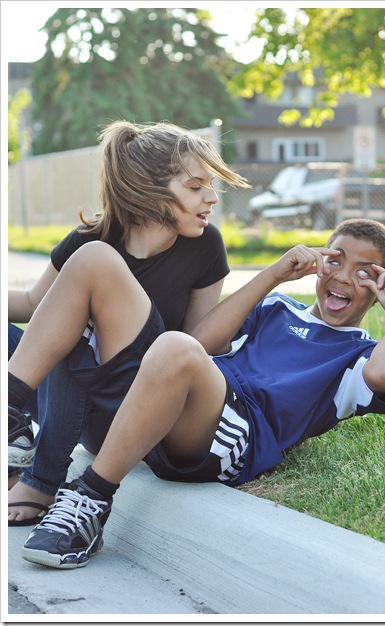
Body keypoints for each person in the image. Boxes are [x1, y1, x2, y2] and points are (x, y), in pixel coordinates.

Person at [10, 218, 385, 569]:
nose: (343, 277)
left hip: (230, 435)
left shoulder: (357, 354)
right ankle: (11, 420)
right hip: (171, 399)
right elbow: (205, 339)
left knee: (175, 346)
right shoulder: (276, 308)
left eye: (364, 273)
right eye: (335, 260)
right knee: (94, 260)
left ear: (381, 286)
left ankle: (91, 500)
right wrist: (274, 274)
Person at [8, 119, 250, 526]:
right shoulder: (91, 238)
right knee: (66, 319)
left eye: (210, 185)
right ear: (147, 188)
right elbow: (35, 304)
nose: (211, 197)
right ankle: (12, 430)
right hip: (69, 405)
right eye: (196, 187)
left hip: (133, 409)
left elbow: (197, 343)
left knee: (81, 326)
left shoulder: (205, 245)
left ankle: (41, 480)